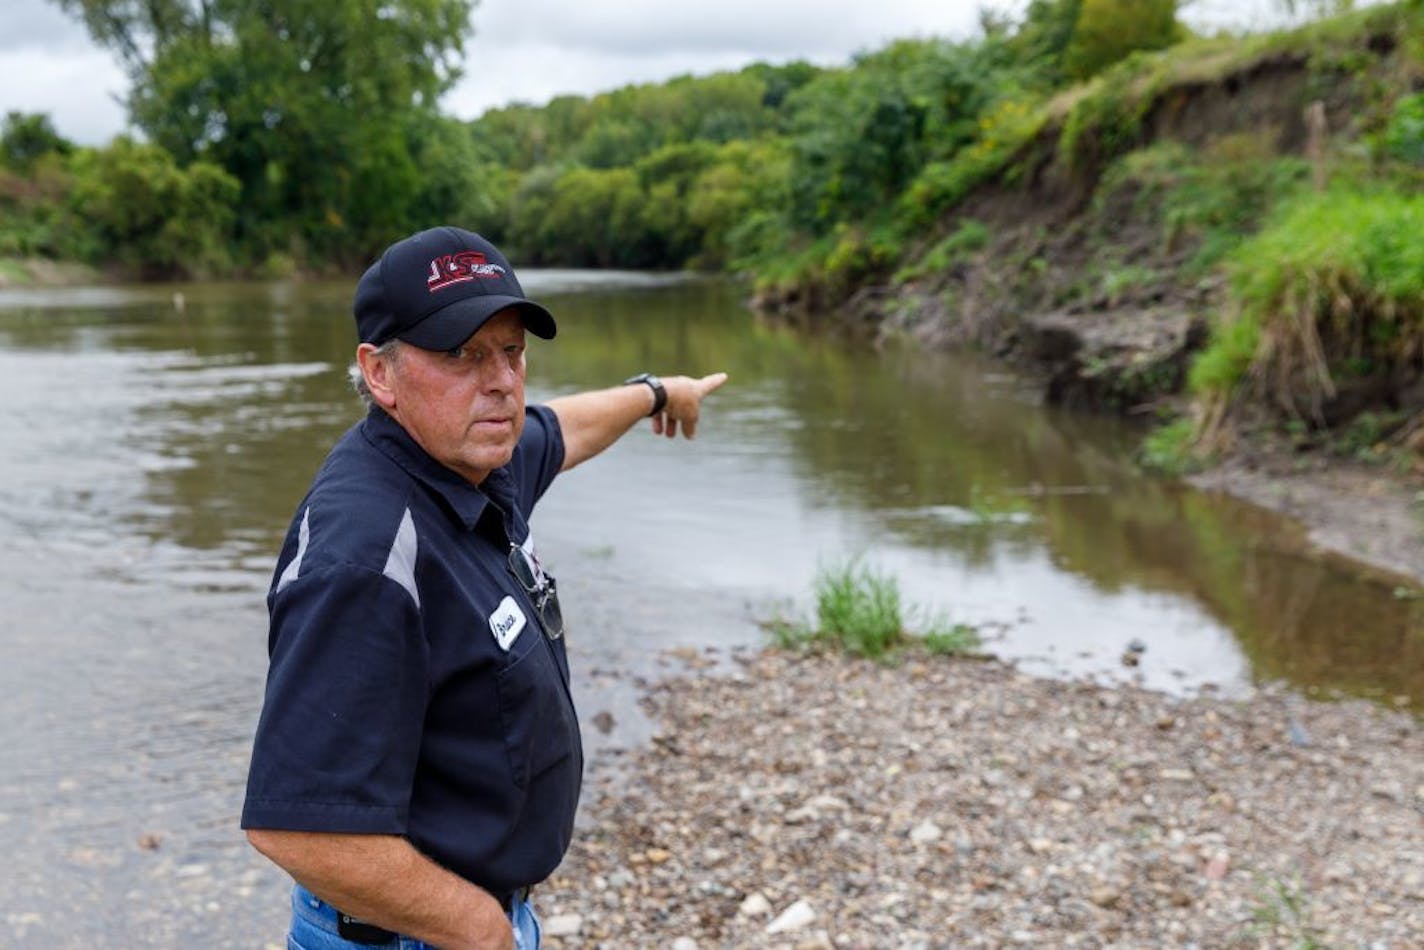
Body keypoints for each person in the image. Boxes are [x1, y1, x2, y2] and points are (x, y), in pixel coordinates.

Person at [241, 226, 727, 949]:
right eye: (462, 354)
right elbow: (301, 827)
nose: (500, 379)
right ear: (380, 374)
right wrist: (481, 931)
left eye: (512, 350)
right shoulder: (365, 557)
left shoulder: (470, 456)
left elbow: (561, 431)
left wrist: (659, 393)